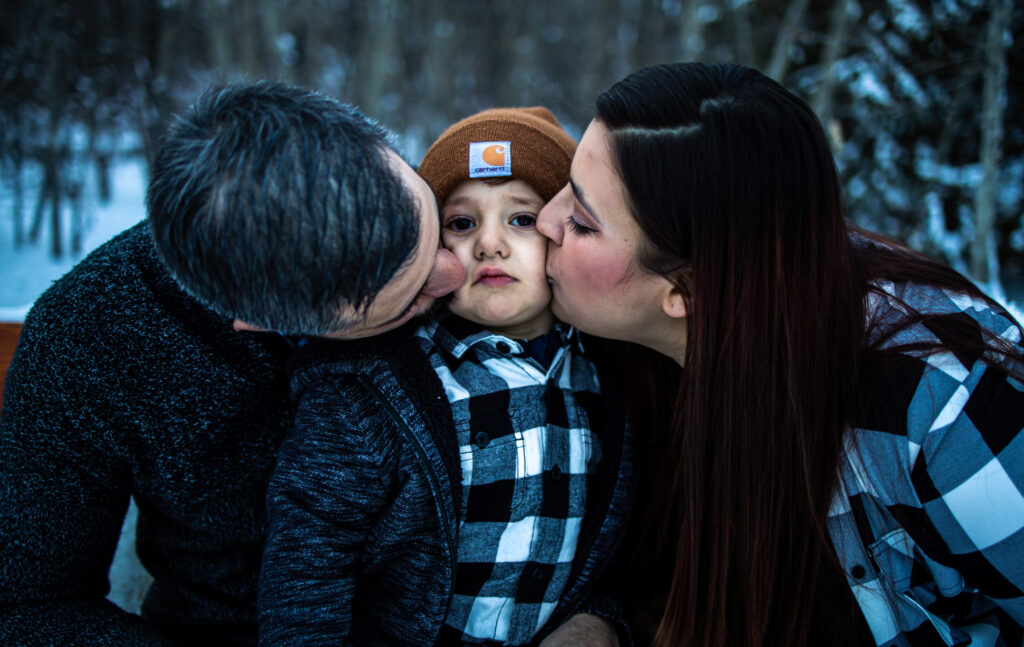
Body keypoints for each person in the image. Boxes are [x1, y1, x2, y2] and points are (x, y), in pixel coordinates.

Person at [535, 62, 1024, 646]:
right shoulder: (604, 347)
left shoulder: (944, 407)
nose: (545, 220)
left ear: (686, 290)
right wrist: (601, 622)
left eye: (582, 222)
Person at [0, 81, 466, 646]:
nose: (455, 274)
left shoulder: (472, 213)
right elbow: (33, 603)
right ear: (261, 323)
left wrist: (596, 612)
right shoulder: (88, 337)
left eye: (432, 221)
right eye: (410, 301)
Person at [259, 107, 633, 646]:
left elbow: (613, 542)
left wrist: (601, 619)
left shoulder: (603, 374)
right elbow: (308, 563)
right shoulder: (377, 390)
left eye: (521, 219)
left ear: (563, 230)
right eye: (462, 223)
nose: (489, 244)